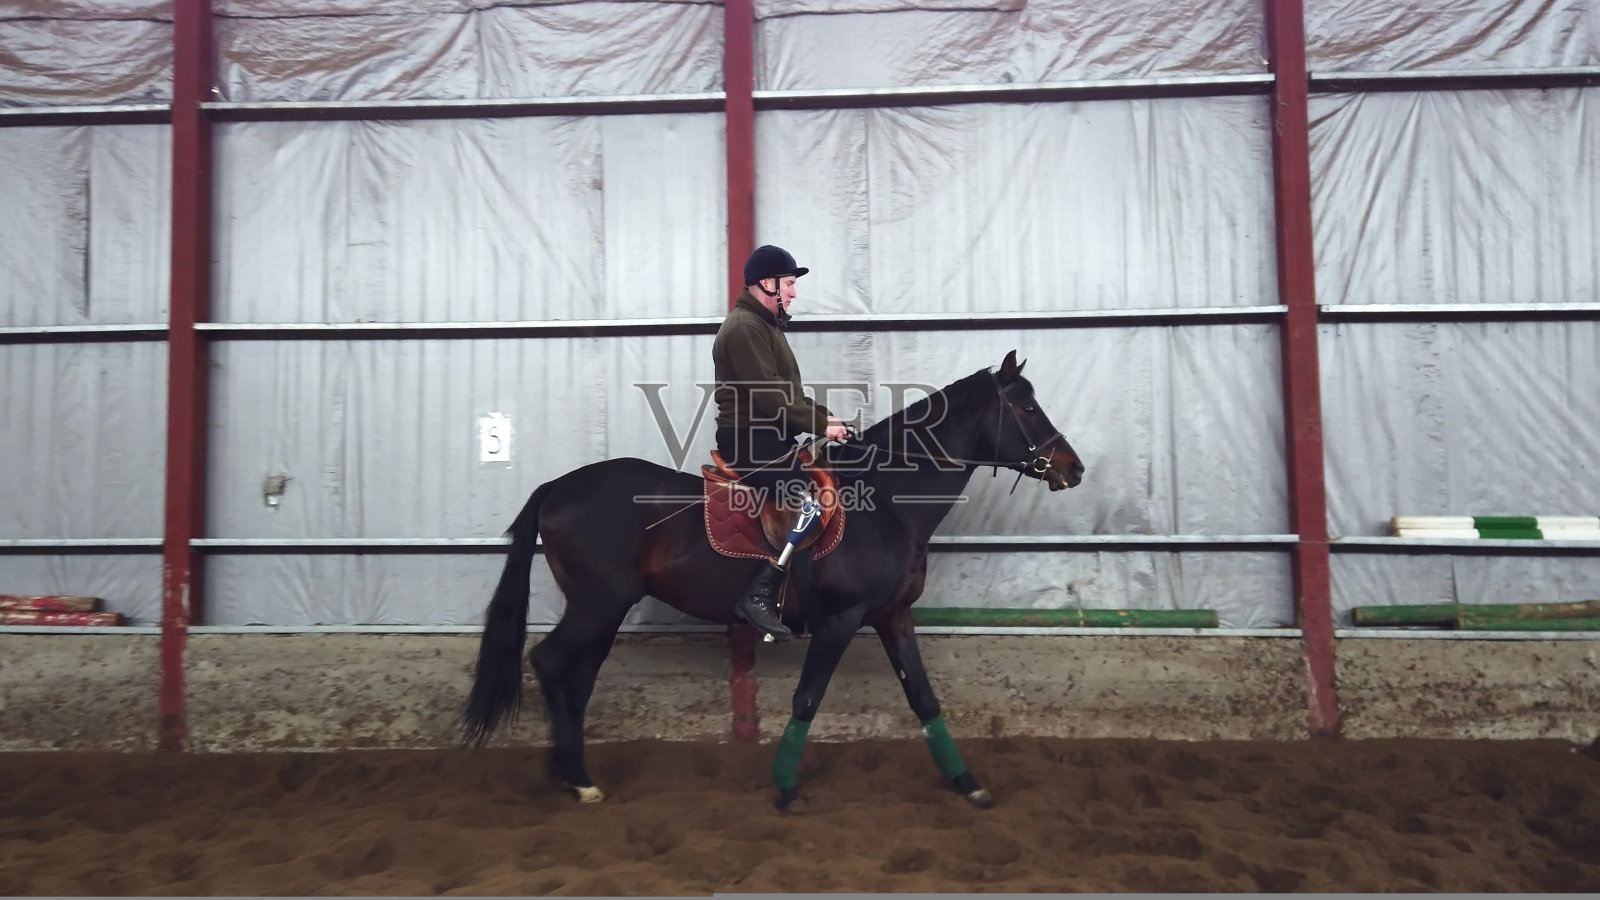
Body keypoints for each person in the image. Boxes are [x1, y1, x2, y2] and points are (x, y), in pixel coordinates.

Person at [712, 245, 851, 642]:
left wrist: (827, 419)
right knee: (805, 499)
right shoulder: (743, 328)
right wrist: (821, 425)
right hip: (748, 437)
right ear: (765, 284)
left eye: (792, 284)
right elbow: (771, 397)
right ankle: (758, 593)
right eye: (788, 284)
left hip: (768, 433)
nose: (793, 293)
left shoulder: (764, 327)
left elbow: (789, 393)